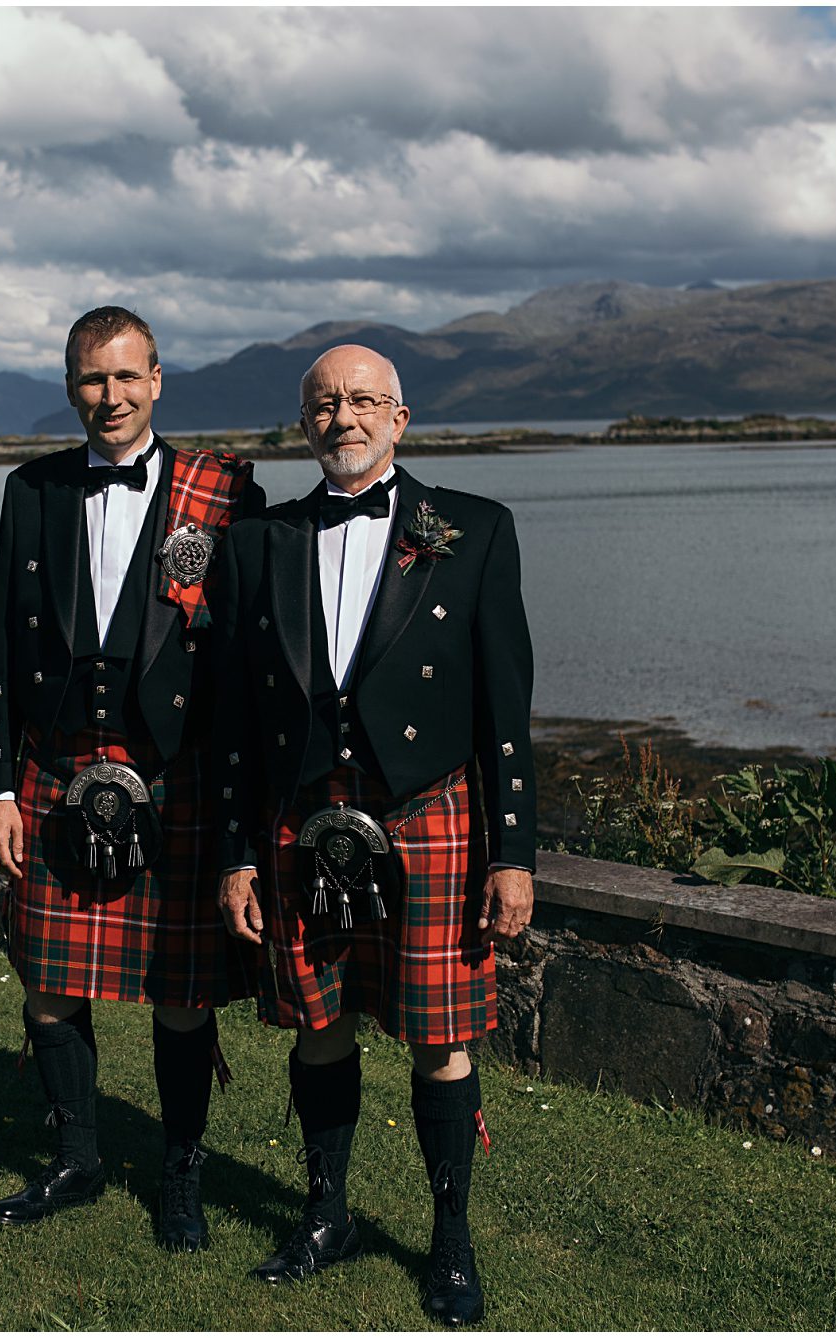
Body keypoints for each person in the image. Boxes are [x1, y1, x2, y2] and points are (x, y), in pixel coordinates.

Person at [211, 344, 536, 1324]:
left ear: (400, 418)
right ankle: (325, 1216)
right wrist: (233, 852)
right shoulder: (254, 543)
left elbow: (505, 711)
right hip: (301, 820)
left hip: (428, 815)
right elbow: (229, 717)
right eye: (322, 403)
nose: (341, 417)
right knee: (319, 1022)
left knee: (440, 1034)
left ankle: (447, 1242)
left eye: (361, 401)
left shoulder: (469, 530)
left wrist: (513, 853)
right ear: (302, 423)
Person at [0, 306, 264, 1250]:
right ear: (70, 387)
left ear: (158, 380)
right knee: (50, 985)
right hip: (56, 772)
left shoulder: (220, 495)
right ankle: (76, 1157)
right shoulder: (33, 489)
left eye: (127, 377)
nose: (111, 397)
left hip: (174, 779)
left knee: (180, 992)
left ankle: (180, 1175)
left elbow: (249, 660)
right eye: (93, 380)